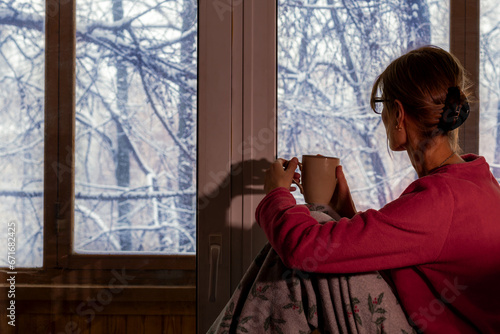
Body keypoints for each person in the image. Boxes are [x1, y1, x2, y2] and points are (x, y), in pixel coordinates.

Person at [257, 46, 500, 333]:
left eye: (382, 106)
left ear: (398, 114)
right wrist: (345, 212)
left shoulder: (439, 200)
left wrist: (276, 195)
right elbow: (414, 251)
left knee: (288, 264)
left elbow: (302, 249)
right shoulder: (476, 181)